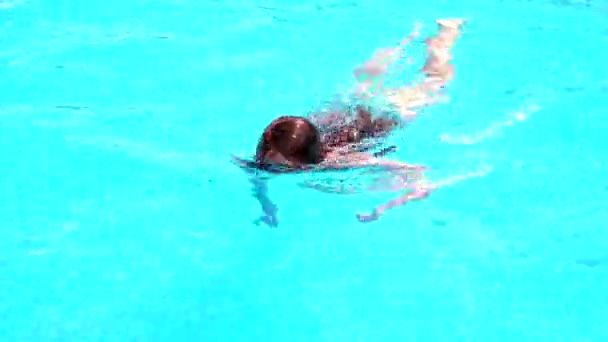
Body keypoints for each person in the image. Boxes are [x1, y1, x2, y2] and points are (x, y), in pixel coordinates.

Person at [233, 18, 465, 223]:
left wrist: (381, 209)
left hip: (385, 119)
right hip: (348, 113)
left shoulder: (336, 161)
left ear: (305, 159)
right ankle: (410, 36)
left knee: (434, 83)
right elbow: (259, 177)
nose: (269, 162)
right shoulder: (265, 157)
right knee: (365, 81)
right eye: (267, 154)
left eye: (280, 162)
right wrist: (266, 206)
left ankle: (447, 34)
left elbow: (415, 172)